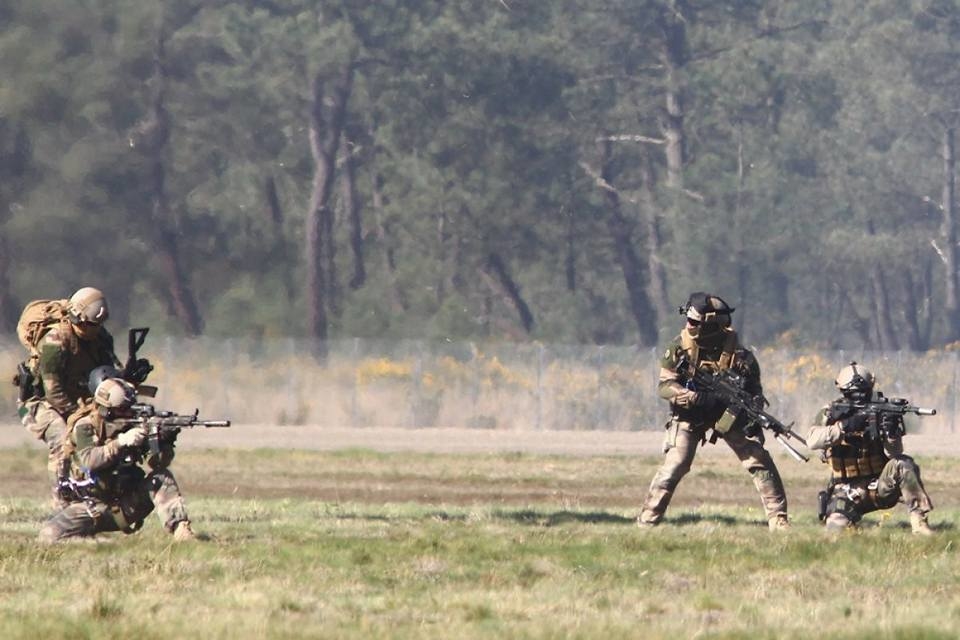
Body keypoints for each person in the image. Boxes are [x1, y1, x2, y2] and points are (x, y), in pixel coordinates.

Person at [637, 292, 790, 530]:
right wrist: (694, 397)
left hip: (727, 415)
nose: (689, 325)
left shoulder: (742, 357)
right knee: (675, 464)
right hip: (689, 414)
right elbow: (665, 387)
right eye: (689, 320)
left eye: (695, 322)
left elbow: (755, 392)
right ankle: (647, 521)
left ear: (711, 325)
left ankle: (778, 519)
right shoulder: (679, 348)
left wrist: (752, 415)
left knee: (758, 459)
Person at [38, 377, 196, 543]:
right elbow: (89, 460)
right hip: (88, 507)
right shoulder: (84, 426)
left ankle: (182, 531)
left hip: (126, 505)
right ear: (106, 411)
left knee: (162, 478)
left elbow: (156, 464)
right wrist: (121, 442)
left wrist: (164, 442)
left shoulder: (133, 427)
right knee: (48, 536)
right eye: (123, 410)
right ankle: (97, 544)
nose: (129, 414)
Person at [19, 287, 123, 508]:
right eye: (88, 324)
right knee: (62, 439)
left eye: (96, 325)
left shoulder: (101, 340)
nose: (92, 330)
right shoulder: (55, 341)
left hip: (77, 404)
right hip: (38, 405)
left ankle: (98, 493)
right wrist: (78, 418)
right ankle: (61, 504)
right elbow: (53, 391)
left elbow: (106, 376)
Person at [807, 362, 934, 535]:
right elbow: (812, 441)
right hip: (846, 491)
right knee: (835, 530)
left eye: (864, 392)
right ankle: (851, 524)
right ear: (841, 390)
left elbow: (894, 454)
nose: (859, 397)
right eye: (852, 394)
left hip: (879, 487)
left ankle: (919, 523)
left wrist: (891, 432)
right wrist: (844, 426)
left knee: (904, 463)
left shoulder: (881, 412)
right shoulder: (828, 413)